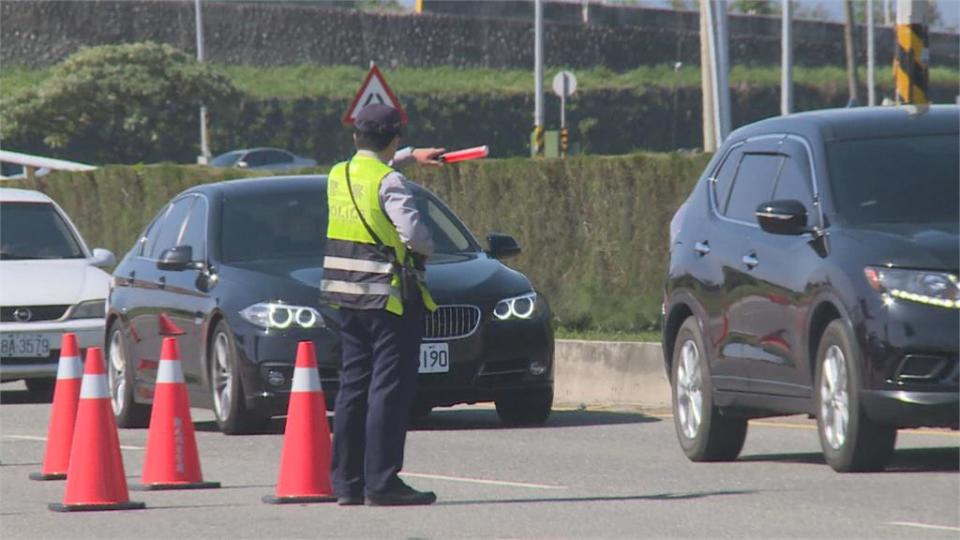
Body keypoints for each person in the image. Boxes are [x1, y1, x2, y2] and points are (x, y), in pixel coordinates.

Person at [321, 103, 443, 506]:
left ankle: (346, 484)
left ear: (356, 137)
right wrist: (425, 245)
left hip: (346, 296)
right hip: (388, 300)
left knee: (353, 387)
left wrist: (409, 156)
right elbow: (416, 236)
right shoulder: (390, 182)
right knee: (388, 390)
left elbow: (369, 170)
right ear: (393, 138)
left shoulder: (338, 175)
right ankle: (382, 483)